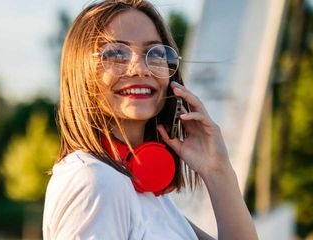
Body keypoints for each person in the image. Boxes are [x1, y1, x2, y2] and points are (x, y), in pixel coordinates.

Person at [41, 0, 258, 239]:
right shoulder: (96, 181)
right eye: (115, 54)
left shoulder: (148, 195)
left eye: (154, 53)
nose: (140, 68)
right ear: (81, 70)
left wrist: (217, 169)